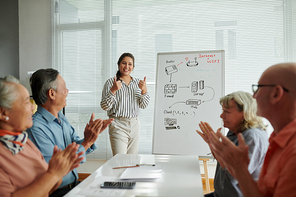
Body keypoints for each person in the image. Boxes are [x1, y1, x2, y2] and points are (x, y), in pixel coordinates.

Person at [207, 63, 296, 197]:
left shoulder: (292, 152)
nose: (254, 97)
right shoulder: (276, 139)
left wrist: (239, 169)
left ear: (276, 93)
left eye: (258, 88)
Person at [26, 68, 113, 197]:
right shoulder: (35, 127)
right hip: (55, 192)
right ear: (52, 94)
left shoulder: (61, 118)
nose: (67, 92)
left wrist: (90, 137)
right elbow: (56, 167)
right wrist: (86, 143)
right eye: (64, 88)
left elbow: (75, 145)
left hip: (74, 185)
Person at [0, 75, 84, 197]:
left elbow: (49, 187)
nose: (32, 107)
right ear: (3, 113)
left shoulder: (24, 141)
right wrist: (53, 174)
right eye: (25, 102)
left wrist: (58, 170)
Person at [196, 91, 269, 197]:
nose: (221, 115)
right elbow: (224, 163)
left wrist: (217, 147)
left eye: (226, 111)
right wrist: (212, 144)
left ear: (245, 113)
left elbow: (233, 176)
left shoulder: (252, 137)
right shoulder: (234, 131)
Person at [100, 52, 150, 156]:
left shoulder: (138, 83)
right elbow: (105, 106)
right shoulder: (110, 83)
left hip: (135, 124)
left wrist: (144, 91)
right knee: (120, 160)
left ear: (133, 67)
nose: (127, 66)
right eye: (124, 63)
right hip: (118, 124)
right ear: (118, 65)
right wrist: (113, 90)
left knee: (132, 160)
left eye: (130, 64)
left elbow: (144, 105)